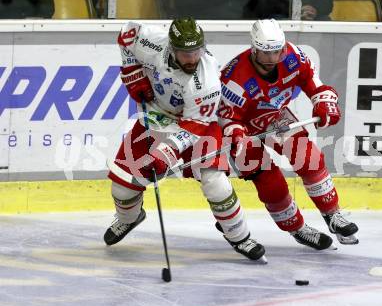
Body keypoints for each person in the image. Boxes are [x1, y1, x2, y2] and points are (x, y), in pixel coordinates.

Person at [105, 17, 266, 263]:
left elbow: (195, 126)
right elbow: (127, 34)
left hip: (198, 124)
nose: (192, 59)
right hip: (158, 116)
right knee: (123, 187)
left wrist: (165, 154)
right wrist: (132, 71)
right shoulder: (152, 42)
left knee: (215, 182)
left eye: (196, 51)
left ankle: (240, 236)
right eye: (185, 53)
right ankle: (129, 219)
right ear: (171, 47)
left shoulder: (206, 78)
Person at [217, 19, 359, 251]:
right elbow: (227, 118)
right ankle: (297, 229)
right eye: (266, 53)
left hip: (274, 116)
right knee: (271, 184)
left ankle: (333, 215)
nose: (273, 59)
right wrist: (237, 136)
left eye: (277, 51)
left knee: (310, 158)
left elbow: (313, 82)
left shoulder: (293, 55)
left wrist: (324, 101)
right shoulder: (235, 78)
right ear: (254, 50)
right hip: (242, 130)